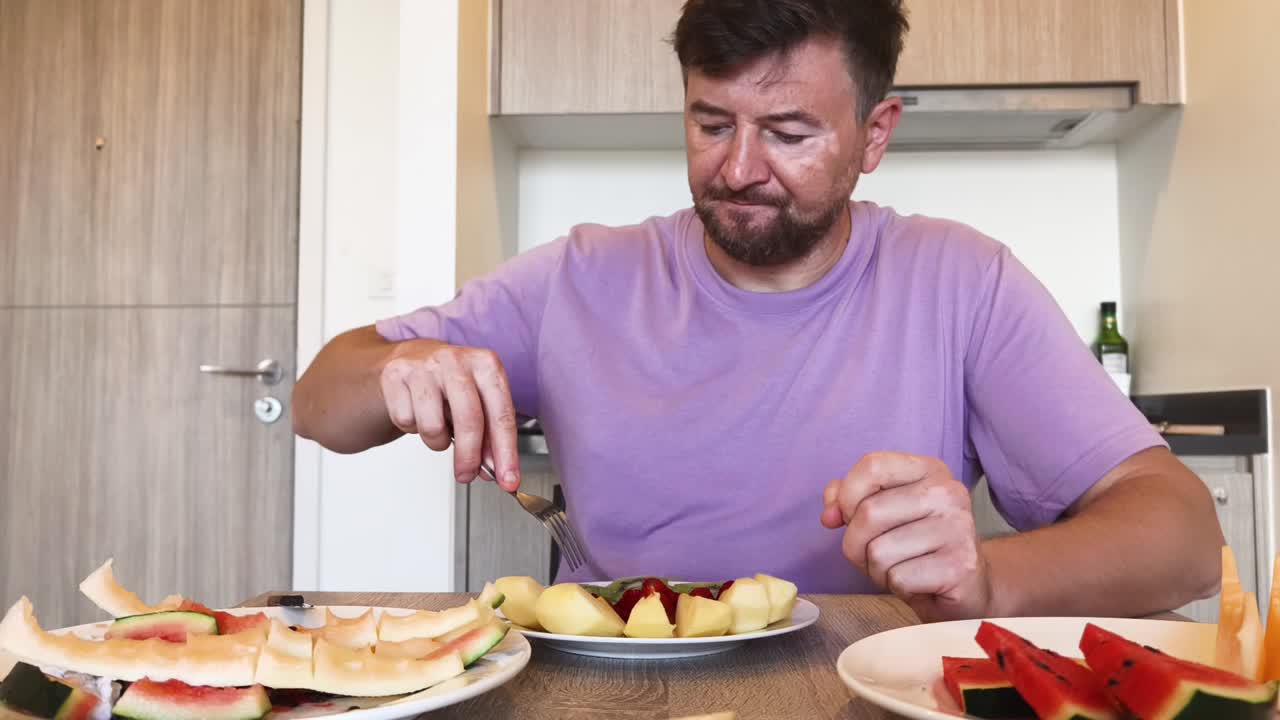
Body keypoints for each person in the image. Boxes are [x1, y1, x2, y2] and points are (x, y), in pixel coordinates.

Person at [293, 0, 1223, 621]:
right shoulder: (578, 278)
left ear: (876, 135)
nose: (738, 169)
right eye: (710, 124)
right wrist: (393, 370)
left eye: (788, 132)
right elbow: (318, 404)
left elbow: (1183, 539)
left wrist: (987, 575)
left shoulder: (962, 282)